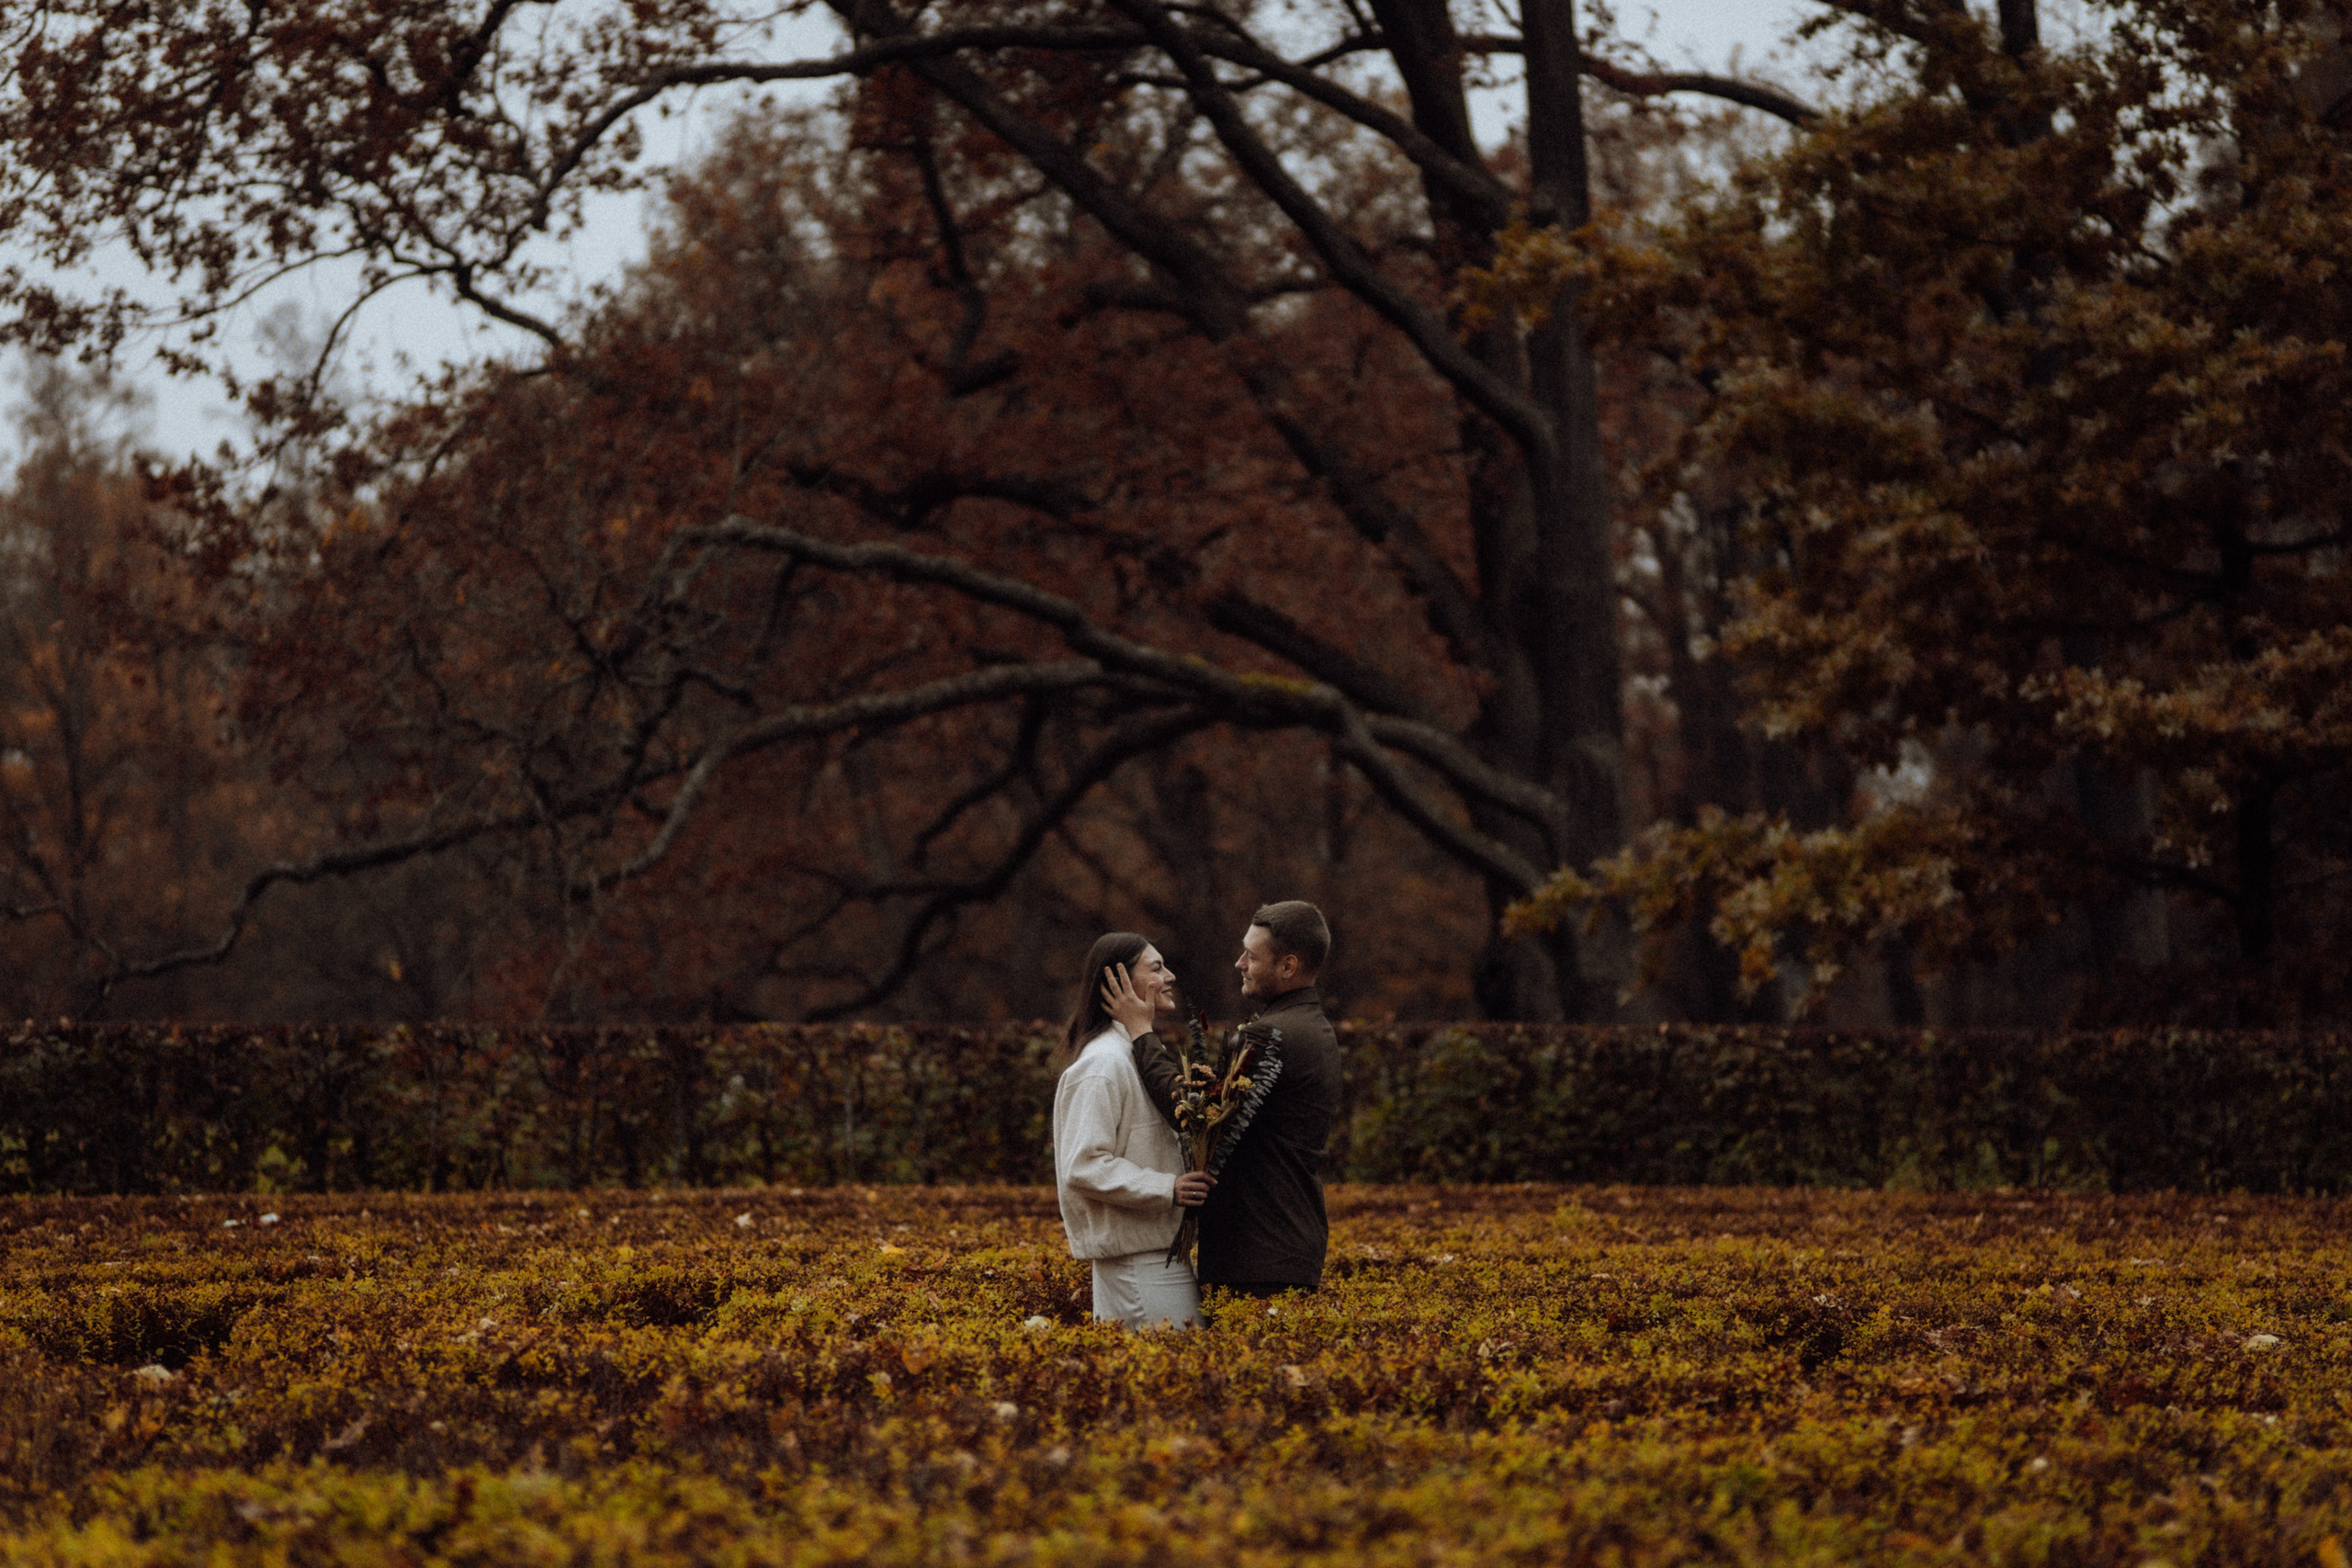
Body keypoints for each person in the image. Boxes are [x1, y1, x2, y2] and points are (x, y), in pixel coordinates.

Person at [1104, 900, 1340, 1299]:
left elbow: (1194, 1115)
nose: (1239, 963)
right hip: (1288, 1245)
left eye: (1252, 956)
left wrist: (1141, 1032)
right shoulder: (1316, 1028)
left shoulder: (1269, 1036)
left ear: (1288, 966)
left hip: (1256, 1256)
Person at [1051, 931, 1216, 1329]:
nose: (1170, 976)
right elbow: (1083, 1165)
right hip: (1137, 1265)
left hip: (1156, 1256)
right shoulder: (1103, 1064)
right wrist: (1167, 1188)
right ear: (1118, 982)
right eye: (1156, 968)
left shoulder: (1130, 1054)